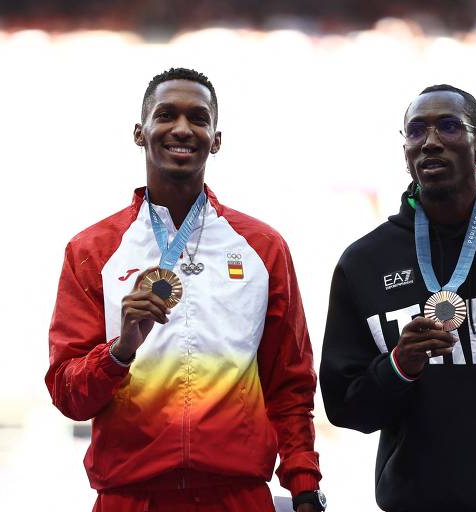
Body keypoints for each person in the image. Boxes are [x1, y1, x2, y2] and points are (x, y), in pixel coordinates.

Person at [45, 68, 325, 512]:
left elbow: (289, 382)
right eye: (166, 115)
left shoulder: (263, 248)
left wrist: (304, 485)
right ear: (140, 132)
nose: (182, 128)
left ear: (216, 138)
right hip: (130, 497)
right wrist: (119, 351)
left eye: (198, 117)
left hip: (237, 496)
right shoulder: (92, 250)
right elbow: (67, 394)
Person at [320, 84, 476, 511]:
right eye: (416, 131)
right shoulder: (364, 263)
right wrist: (399, 366)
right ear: (405, 153)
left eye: (449, 126)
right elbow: (346, 406)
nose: (430, 140)